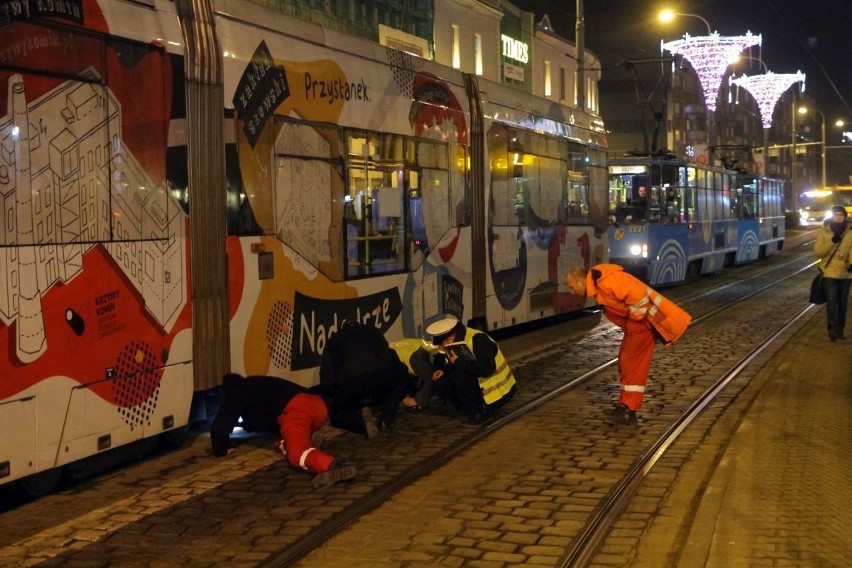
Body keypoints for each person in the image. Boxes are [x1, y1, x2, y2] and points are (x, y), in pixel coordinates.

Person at [565, 265, 692, 425]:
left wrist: (635, 320)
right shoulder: (601, 282)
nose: (572, 292)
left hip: (642, 326)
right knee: (627, 363)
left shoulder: (607, 281)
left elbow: (637, 296)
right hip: (638, 326)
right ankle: (625, 406)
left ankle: (629, 410)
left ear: (581, 281)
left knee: (632, 364)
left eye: (572, 287)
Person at [210, 373, 356, 489]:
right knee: (281, 442)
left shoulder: (238, 391)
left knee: (296, 453)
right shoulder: (256, 384)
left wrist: (220, 449)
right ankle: (310, 442)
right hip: (318, 407)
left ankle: (332, 464)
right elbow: (261, 417)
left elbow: (221, 423)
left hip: (297, 410)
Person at [319, 321, 410, 435]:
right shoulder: (374, 332)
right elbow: (388, 358)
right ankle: (387, 417)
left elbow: (327, 380)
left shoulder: (333, 340)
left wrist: (337, 395)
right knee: (401, 370)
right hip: (379, 377)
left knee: (336, 415)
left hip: (352, 384)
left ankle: (359, 422)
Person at [421, 316, 516, 424]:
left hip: (498, 392)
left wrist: (458, 362)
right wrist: (444, 370)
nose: (444, 346)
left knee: (459, 376)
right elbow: (452, 363)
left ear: (451, 337)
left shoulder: (478, 339)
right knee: (439, 383)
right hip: (477, 381)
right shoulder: (453, 342)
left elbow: (486, 369)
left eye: (445, 342)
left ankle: (479, 412)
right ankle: (466, 406)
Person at [813, 205, 852, 341]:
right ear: (832, 216)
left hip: (846, 273)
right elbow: (817, 253)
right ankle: (832, 328)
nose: (838, 217)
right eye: (836, 214)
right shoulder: (823, 232)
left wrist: (851, 264)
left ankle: (840, 328)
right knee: (831, 301)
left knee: (842, 302)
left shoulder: (850, 232)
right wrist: (832, 242)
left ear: (845, 216)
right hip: (829, 272)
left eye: (841, 215)